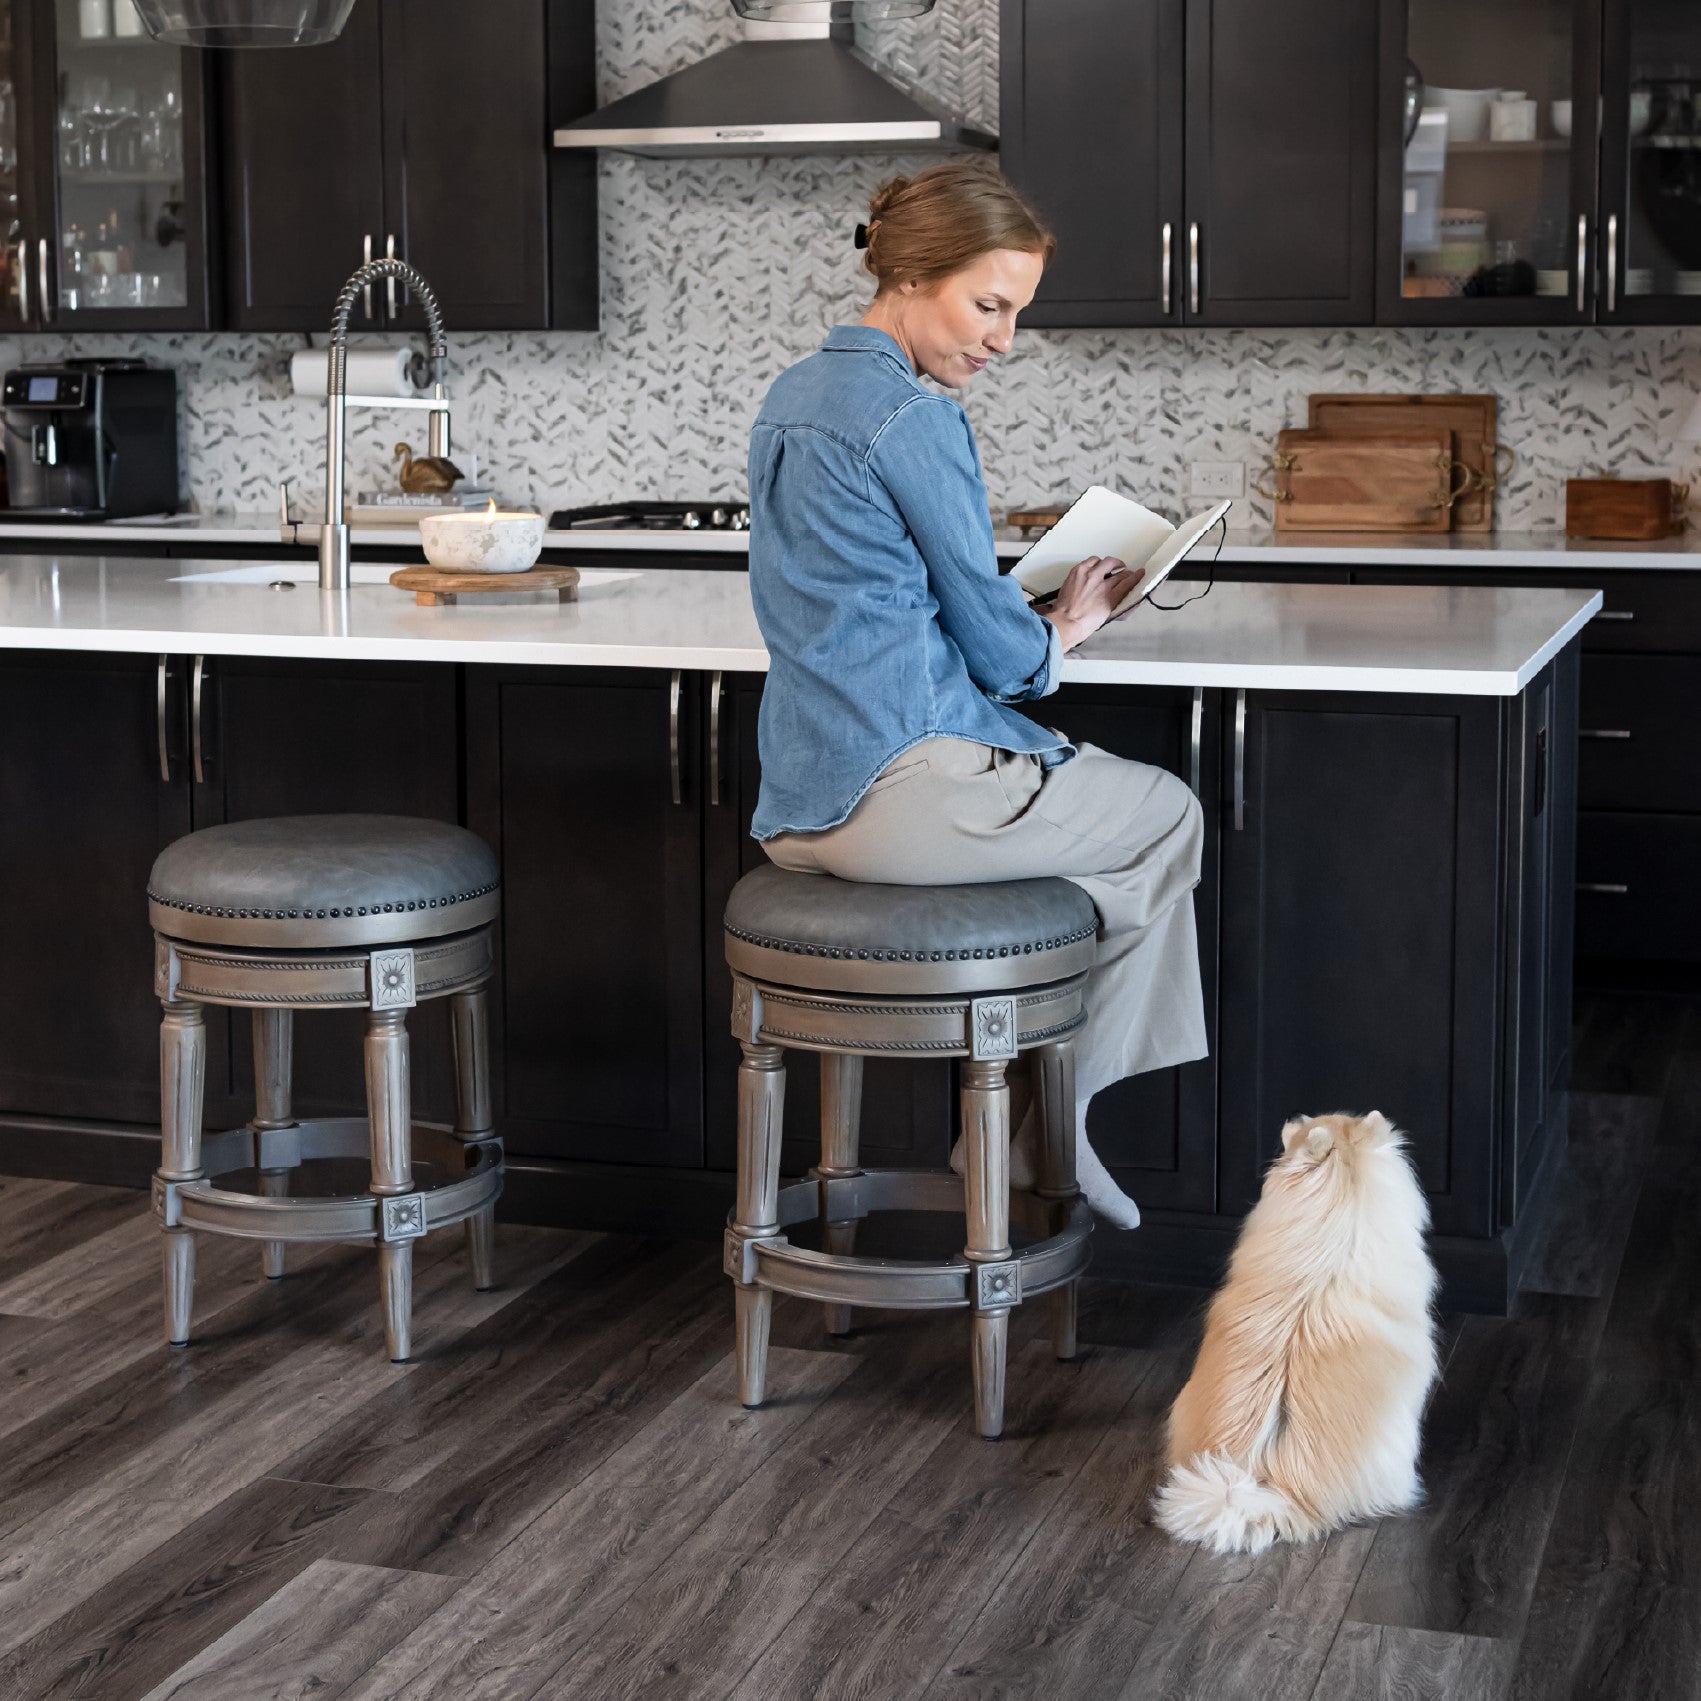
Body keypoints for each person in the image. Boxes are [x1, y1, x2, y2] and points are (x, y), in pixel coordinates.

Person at [745, 161, 1207, 1229]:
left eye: (1014, 314)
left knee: (1115, 844)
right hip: (903, 798)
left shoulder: (794, 394)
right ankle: (1048, 1124)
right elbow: (1004, 660)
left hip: (800, 805)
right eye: (988, 305)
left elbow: (882, 595)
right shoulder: (913, 414)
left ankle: (1024, 1114)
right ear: (909, 274)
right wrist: (1069, 624)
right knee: (1165, 818)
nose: (1001, 339)